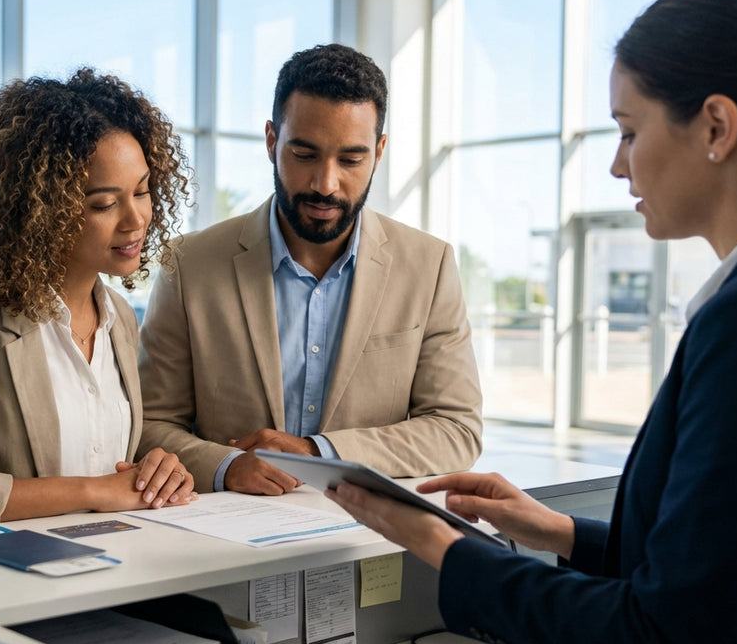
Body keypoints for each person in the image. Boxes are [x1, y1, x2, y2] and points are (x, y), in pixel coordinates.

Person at [327, 0, 737, 644]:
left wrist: (439, 545)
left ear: (717, 127)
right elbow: (732, 576)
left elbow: (663, 637)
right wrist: (558, 532)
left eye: (629, 130)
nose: (616, 163)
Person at [137, 44, 483, 495]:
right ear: (271, 141)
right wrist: (226, 465)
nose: (326, 183)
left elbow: (457, 429)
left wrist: (319, 452)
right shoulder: (189, 265)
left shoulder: (429, 265)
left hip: (366, 539)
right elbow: (150, 423)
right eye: (304, 154)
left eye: (351, 160)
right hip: (226, 540)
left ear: (379, 152)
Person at [0, 69, 199, 529]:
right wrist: (91, 492)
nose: (136, 219)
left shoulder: (119, 318)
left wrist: (158, 471)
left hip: (112, 573)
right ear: (40, 208)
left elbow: (109, 458)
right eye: (104, 204)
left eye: (142, 191)